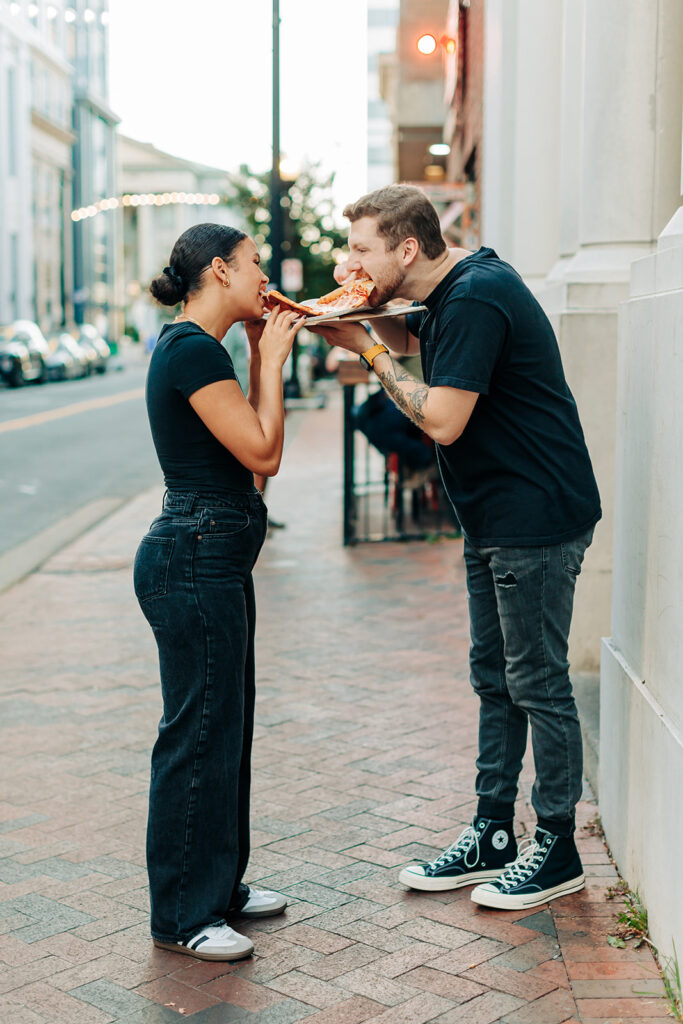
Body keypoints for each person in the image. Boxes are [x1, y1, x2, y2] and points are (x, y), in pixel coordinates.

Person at [314, 185, 601, 911]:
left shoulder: (474, 296)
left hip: (533, 516)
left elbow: (441, 420)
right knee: (493, 678)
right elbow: (423, 337)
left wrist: (368, 349)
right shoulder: (449, 293)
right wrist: (358, 317)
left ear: (405, 249)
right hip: (492, 517)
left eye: (359, 250)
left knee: (535, 681)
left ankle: (558, 846)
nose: (347, 261)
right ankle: (492, 832)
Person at [134, 223, 305, 961]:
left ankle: (218, 887)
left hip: (212, 555)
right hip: (193, 559)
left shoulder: (201, 347)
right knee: (197, 736)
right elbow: (263, 450)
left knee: (224, 729)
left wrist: (267, 360)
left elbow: (257, 466)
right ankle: (181, 914)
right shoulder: (192, 349)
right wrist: (272, 361)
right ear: (218, 269)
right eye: (255, 263)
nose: (263, 276)